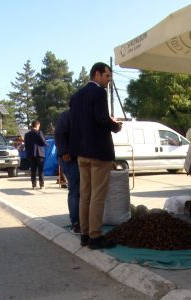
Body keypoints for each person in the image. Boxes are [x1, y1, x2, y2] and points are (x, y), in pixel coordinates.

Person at [69, 62, 122, 250]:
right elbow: (101, 119)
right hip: (99, 153)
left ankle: (84, 235)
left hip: (81, 154)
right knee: (98, 196)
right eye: (107, 76)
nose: (109, 80)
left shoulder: (76, 97)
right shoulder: (99, 92)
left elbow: (74, 124)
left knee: (85, 195)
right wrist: (115, 125)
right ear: (97, 74)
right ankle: (96, 236)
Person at [54, 110, 81, 234]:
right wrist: (64, 152)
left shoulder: (83, 113)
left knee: (82, 191)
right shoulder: (67, 115)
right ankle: (76, 223)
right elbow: (59, 134)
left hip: (81, 157)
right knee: (75, 190)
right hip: (70, 158)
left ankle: (83, 221)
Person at [24, 120, 47, 190]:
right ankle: (41, 185)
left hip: (31, 154)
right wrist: (46, 144)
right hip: (39, 153)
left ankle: (34, 185)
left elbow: (26, 145)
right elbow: (43, 142)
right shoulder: (39, 132)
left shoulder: (26, 134)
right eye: (39, 125)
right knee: (41, 170)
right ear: (37, 125)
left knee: (33, 170)